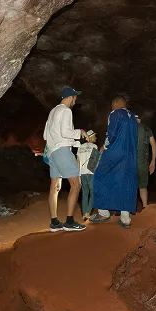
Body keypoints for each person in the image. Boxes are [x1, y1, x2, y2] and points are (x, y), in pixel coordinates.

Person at [42, 86, 87, 232]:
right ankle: (69, 222)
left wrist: (73, 142)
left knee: (55, 187)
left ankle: (54, 223)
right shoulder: (66, 111)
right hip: (62, 151)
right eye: (75, 97)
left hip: (52, 152)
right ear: (71, 97)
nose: (76, 100)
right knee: (76, 184)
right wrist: (79, 132)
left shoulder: (53, 111)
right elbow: (65, 132)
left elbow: (45, 135)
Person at [89, 96, 138, 228]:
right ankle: (125, 219)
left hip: (116, 151)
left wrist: (104, 146)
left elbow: (111, 134)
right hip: (130, 155)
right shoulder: (133, 118)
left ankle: (103, 213)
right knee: (125, 181)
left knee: (99, 176)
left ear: (115, 104)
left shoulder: (116, 113)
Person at [76, 130, 100, 221]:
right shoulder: (94, 146)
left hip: (82, 173)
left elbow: (78, 161)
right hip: (91, 173)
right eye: (94, 136)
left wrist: (78, 174)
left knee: (85, 193)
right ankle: (88, 212)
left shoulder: (80, 147)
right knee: (93, 192)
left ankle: (84, 213)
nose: (96, 138)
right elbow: (96, 162)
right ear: (90, 137)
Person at [136, 115, 156, 209]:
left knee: (130, 186)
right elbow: (154, 145)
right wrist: (153, 161)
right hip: (143, 163)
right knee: (143, 186)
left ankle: (128, 209)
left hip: (130, 163)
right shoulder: (146, 129)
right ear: (139, 119)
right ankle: (145, 207)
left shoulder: (128, 128)